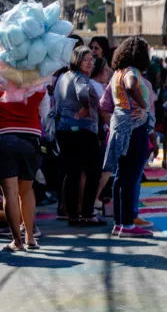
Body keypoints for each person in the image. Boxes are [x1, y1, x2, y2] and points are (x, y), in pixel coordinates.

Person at [103, 36, 154, 238]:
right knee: (131, 176)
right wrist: (143, 106)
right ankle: (127, 224)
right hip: (134, 127)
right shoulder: (131, 72)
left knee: (121, 176)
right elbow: (132, 85)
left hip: (120, 124)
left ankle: (119, 222)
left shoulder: (116, 73)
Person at [54, 47, 106, 226]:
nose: (91, 63)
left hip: (64, 130)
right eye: (86, 60)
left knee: (72, 173)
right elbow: (82, 92)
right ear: (77, 60)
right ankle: (87, 213)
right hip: (82, 131)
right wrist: (85, 107)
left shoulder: (63, 77)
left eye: (92, 59)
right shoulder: (80, 78)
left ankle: (73, 215)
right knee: (93, 172)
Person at [0, 88, 48, 251]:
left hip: (4, 137)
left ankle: (17, 241)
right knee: (27, 191)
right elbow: (45, 112)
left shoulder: (2, 80)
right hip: (32, 138)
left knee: (10, 192)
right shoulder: (39, 83)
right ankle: (30, 237)